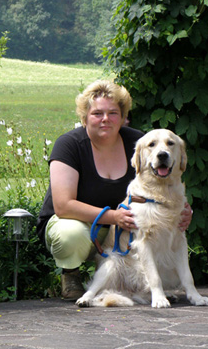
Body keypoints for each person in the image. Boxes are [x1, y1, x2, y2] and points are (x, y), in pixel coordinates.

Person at [37, 80, 193, 300]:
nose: (105, 119)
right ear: (84, 117)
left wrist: (183, 212)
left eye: (113, 113)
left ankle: (137, 286)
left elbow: (161, 185)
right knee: (70, 234)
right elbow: (63, 206)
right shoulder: (69, 145)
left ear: (123, 117)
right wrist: (113, 217)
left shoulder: (139, 142)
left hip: (122, 229)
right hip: (74, 221)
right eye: (97, 113)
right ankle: (70, 274)